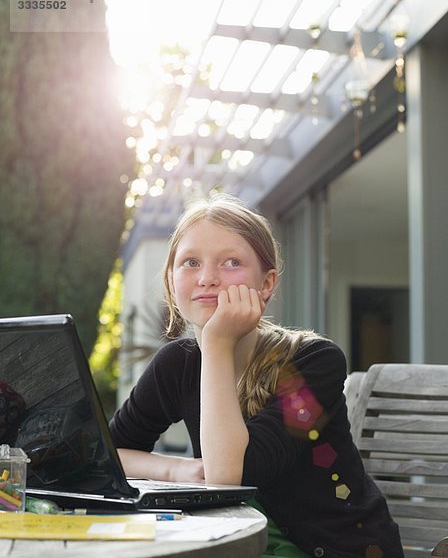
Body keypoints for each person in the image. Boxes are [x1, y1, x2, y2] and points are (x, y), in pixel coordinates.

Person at [109, 193, 404, 558]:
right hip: (239, 544)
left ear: (266, 284)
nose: (207, 278)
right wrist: (177, 470)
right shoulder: (177, 364)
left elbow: (229, 477)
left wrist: (216, 343)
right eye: (190, 262)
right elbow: (109, 454)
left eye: (231, 262)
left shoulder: (314, 363)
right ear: (171, 283)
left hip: (339, 548)